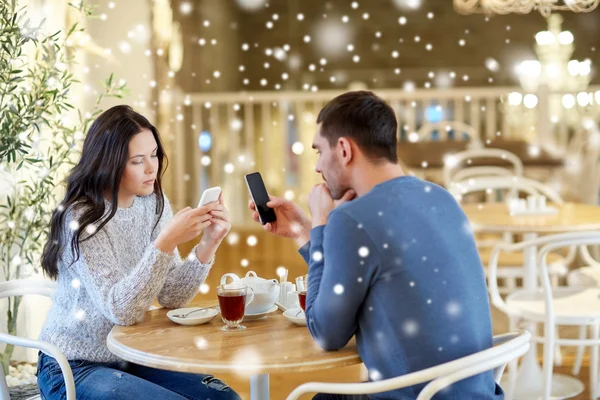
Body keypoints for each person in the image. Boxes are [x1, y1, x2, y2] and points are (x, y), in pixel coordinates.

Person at [249, 91, 503, 399]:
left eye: (319, 151)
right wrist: (305, 232)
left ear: (343, 149)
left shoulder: (352, 219)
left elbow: (327, 333)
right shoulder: (439, 197)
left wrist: (321, 224)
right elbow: (359, 280)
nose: (317, 167)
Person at [37, 105, 240, 400]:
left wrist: (208, 244)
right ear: (110, 163)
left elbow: (171, 295)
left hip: (131, 357)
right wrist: (165, 242)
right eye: (137, 161)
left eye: (154, 154)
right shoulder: (82, 219)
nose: (151, 168)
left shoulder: (153, 204)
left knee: (225, 398)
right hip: (72, 367)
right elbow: (122, 311)